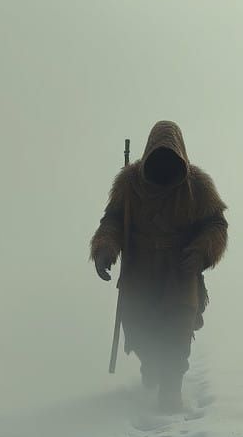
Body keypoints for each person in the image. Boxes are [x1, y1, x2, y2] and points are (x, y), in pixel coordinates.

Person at [90, 121, 228, 412]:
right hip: (140, 273)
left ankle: (171, 389)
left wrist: (202, 251)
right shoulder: (129, 184)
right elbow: (113, 221)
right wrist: (105, 249)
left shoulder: (197, 187)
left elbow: (216, 223)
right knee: (141, 329)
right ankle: (151, 367)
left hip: (180, 272)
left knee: (178, 329)